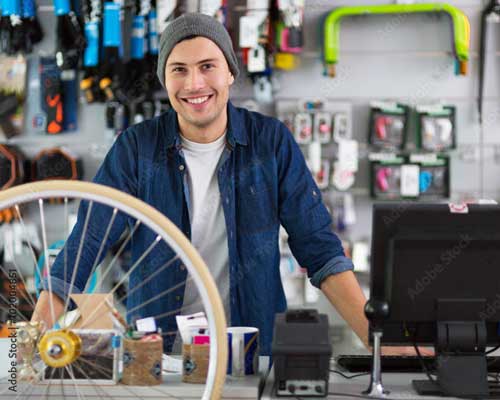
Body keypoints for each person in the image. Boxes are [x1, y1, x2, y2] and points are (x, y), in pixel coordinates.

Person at [32, 13, 379, 355]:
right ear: (164, 80)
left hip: (251, 348)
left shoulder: (270, 141)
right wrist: (34, 336)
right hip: (159, 357)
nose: (194, 84)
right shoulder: (137, 147)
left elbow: (318, 247)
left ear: (230, 72)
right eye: (178, 69)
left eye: (208, 66)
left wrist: (378, 343)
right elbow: (87, 241)